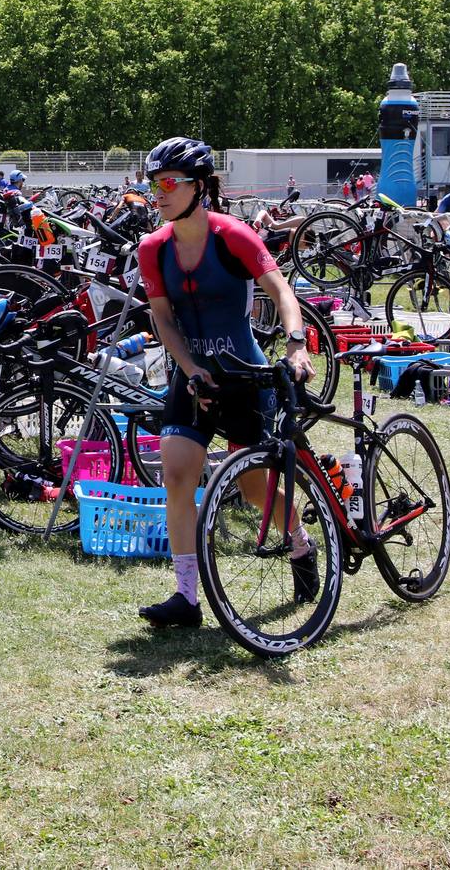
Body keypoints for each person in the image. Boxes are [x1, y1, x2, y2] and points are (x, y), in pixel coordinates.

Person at [135, 136, 315, 629]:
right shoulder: (152, 249)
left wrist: (296, 342)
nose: (159, 192)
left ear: (201, 186)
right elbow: (162, 319)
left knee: (256, 490)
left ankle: (299, 541)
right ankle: (186, 596)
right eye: (154, 183)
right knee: (176, 476)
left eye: (170, 182)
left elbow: (280, 289)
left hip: (243, 377)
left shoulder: (231, 235)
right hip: (192, 378)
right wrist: (188, 367)